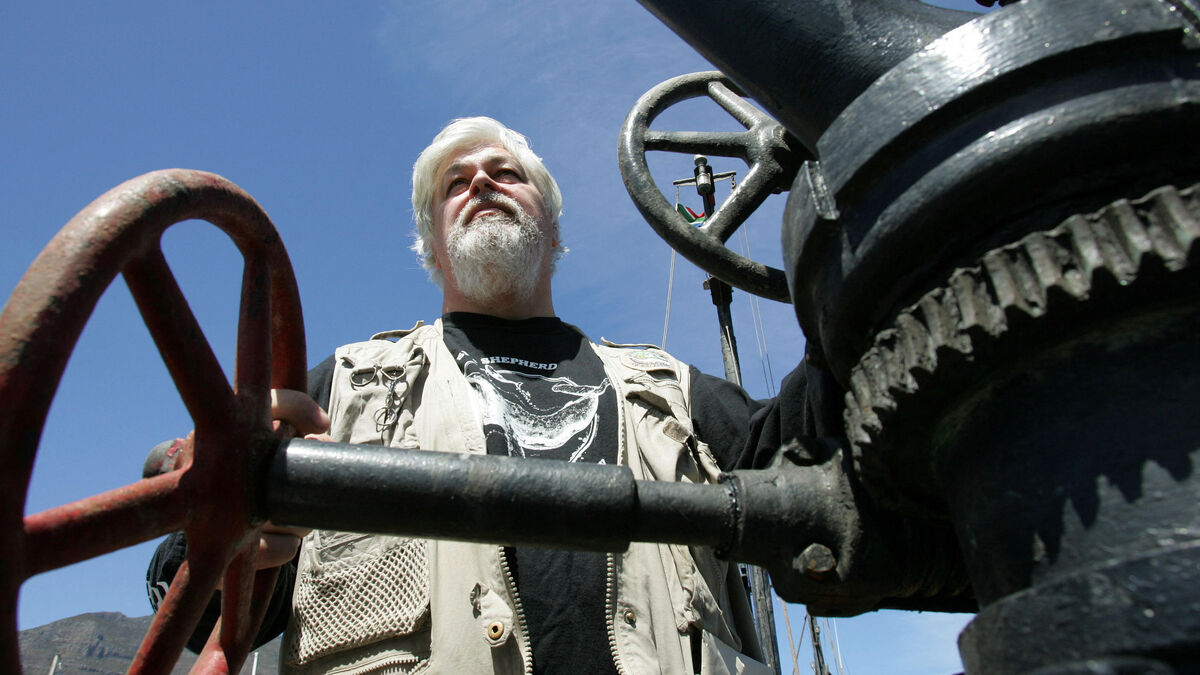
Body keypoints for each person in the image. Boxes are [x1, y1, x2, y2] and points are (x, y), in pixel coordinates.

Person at [148, 117, 822, 674]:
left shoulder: (671, 391)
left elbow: (815, 461)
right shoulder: (339, 392)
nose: (479, 183)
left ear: (553, 231)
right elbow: (201, 617)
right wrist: (221, 532)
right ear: (432, 249)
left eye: (506, 173)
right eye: (454, 183)